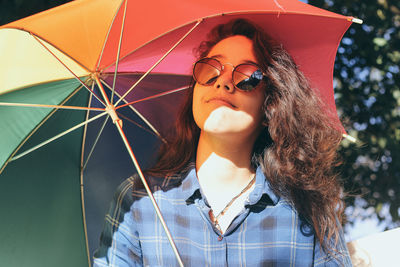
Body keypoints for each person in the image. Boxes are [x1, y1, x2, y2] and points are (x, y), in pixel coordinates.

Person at [93, 19, 352, 266]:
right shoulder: (140, 198)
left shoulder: (307, 212)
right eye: (210, 69)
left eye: (247, 76)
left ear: (271, 106)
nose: (224, 81)